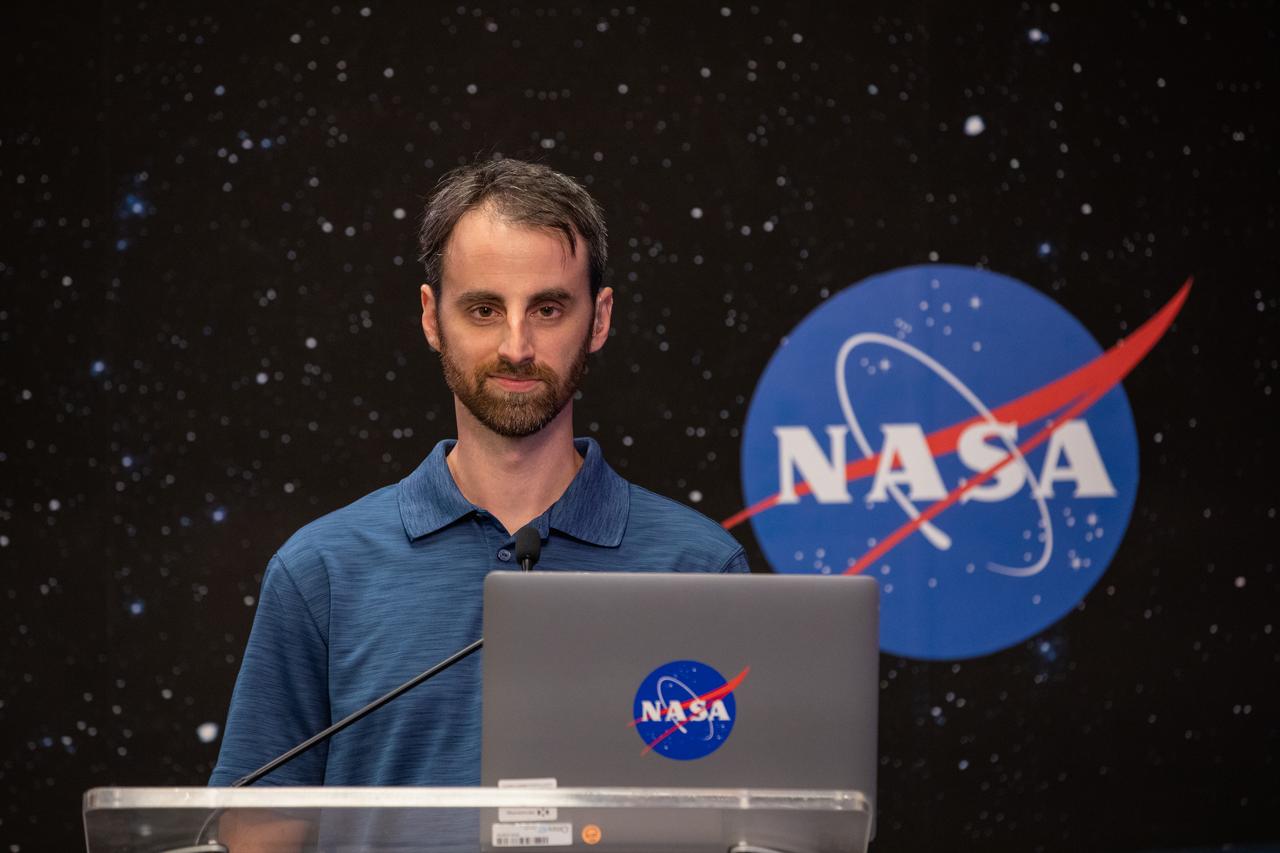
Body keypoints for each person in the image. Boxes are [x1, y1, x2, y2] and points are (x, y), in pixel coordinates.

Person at [208, 158, 748, 796]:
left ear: (599, 319)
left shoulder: (699, 569)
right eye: (485, 310)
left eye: (548, 309)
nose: (516, 346)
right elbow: (256, 832)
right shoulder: (321, 571)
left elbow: (742, 822)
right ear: (433, 318)